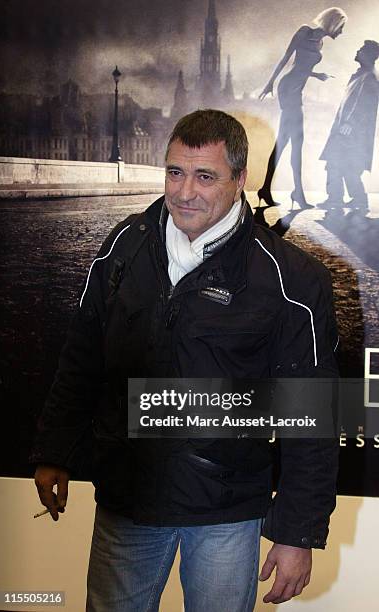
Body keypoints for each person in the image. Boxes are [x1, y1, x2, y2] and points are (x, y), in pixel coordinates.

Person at [32, 109, 339, 611]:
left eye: (204, 176)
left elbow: (311, 413)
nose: (183, 192)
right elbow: (82, 358)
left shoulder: (292, 278)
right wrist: (54, 451)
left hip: (226, 511)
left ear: (240, 180)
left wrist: (297, 533)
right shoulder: (123, 246)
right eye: (175, 172)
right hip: (127, 503)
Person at [258, 7, 347, 209]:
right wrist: (270, 82)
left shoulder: (320, 42)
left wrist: (317, 75)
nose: (341, 32)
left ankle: (268, 188)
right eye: (341, 27)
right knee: (295, 142)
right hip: (288, 89)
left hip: (296, 91)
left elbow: (304, 69)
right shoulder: (304, 32)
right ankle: (296, 193)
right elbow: (286, 58)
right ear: (333, 23)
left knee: (286, 142)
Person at [319, 40, 379, 213]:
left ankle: (349, 199)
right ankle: (344, 198)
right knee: (339, 164)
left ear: (368, 55)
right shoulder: (363, 75)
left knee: (344, 164)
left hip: (352, 133)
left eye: (361, 49)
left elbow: (364, 107)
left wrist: (349, 123)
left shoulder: (369, 78)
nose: (358, 51)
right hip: (347, 130)